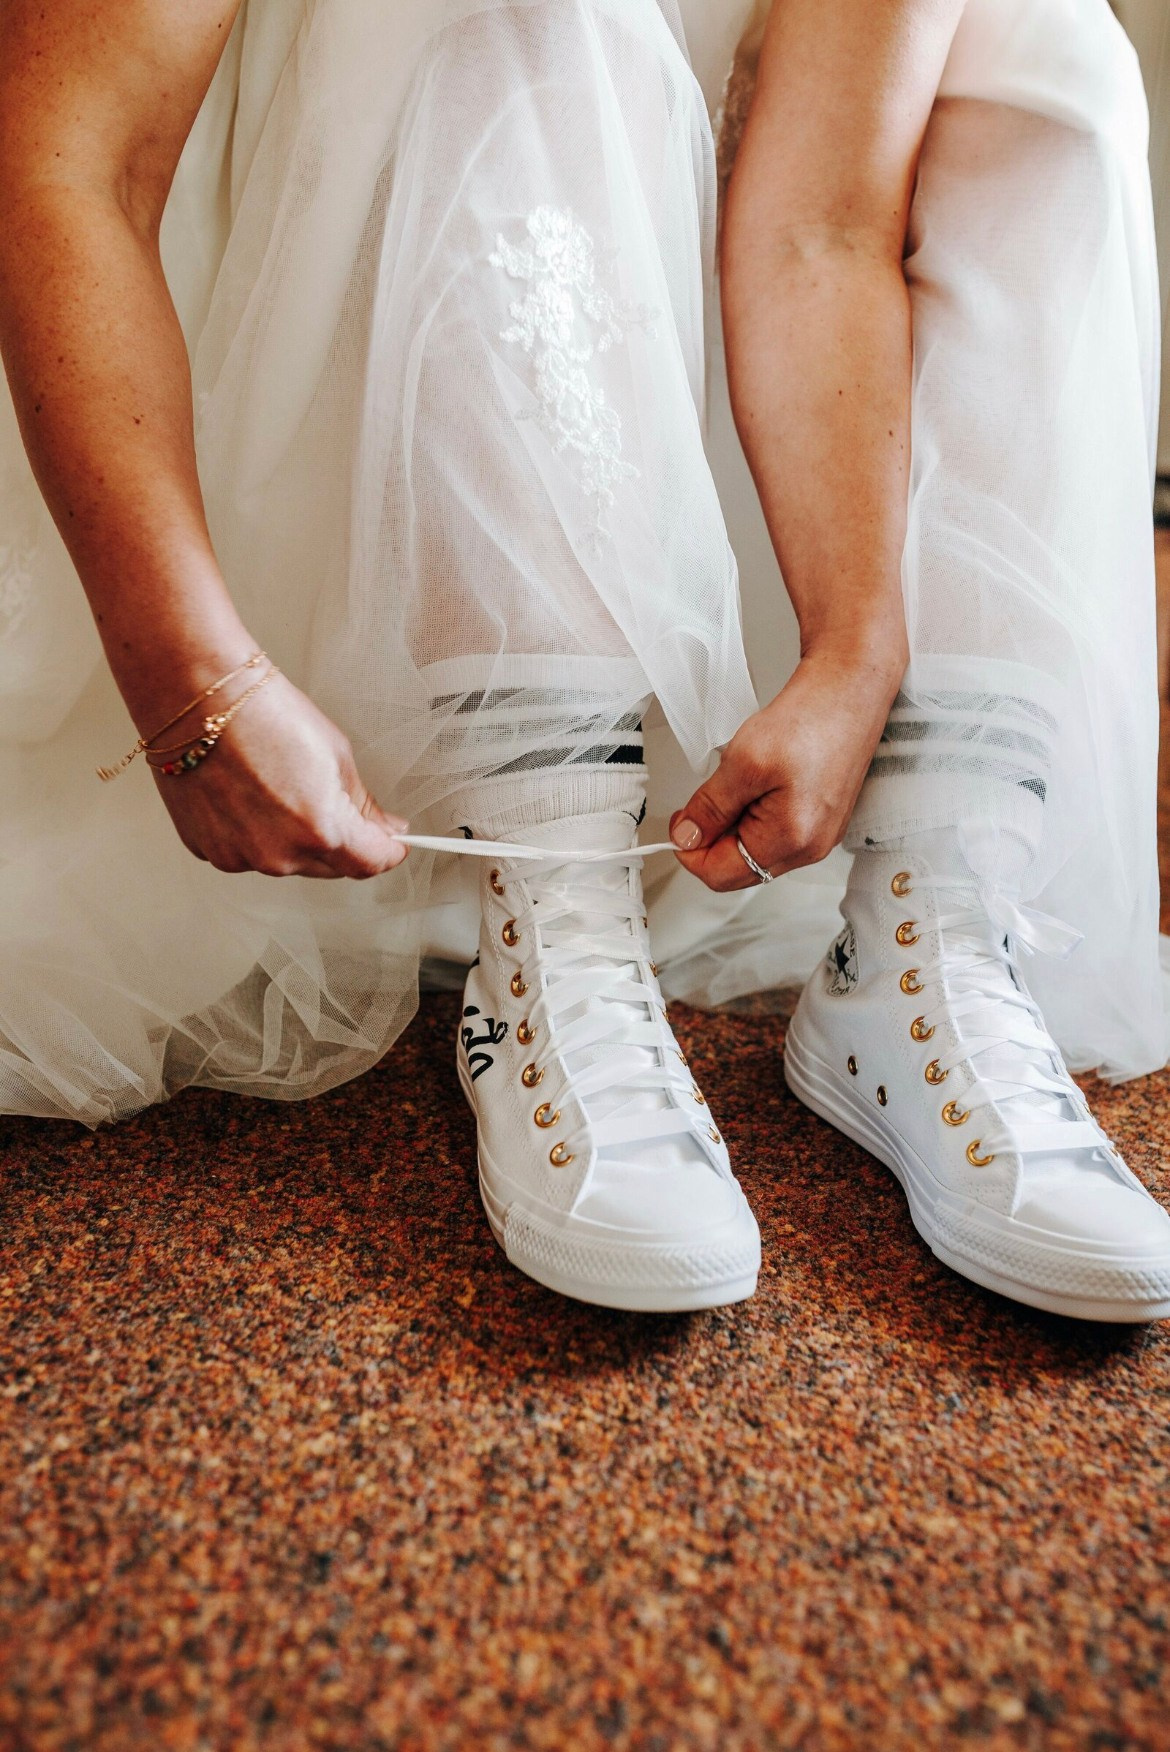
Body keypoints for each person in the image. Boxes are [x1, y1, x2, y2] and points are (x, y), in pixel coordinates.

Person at [0, 0, 1167, 1323]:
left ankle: (921, 927)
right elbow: (71, 157)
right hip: (333, 330)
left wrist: (852, 648)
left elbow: (819, 217)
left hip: (749, 362)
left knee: (1046, 48)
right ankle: (547, 915)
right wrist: (186, 676)